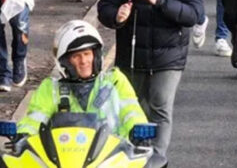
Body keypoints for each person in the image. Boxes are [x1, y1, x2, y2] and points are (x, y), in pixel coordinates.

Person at [97, 0, 205, 162]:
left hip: (169, 56)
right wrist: (117, 15)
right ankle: (131, 157)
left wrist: (158, 1)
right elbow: (105, 7)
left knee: (160, 106)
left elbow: (193, 14)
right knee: (132, 107)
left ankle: (156, 160)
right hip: (132, 52)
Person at [18, 20, 148, 140]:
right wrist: (23, 134)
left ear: (96, 56)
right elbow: (35, 118)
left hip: (113, 158)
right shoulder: (51, 88)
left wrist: (137, 130)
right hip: (63, 159)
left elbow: (132, 112)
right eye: (76, 56)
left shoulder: (115, 81)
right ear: (65, 62)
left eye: (87, 54)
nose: (84, 61)